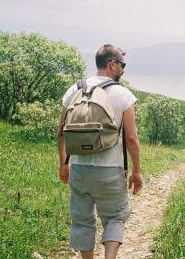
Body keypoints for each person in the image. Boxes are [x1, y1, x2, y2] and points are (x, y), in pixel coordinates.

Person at [57, 44, 143, 259]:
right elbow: (131, 139)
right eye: (122, 65)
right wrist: (136, 171)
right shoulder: (122, 94)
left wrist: (63, 163)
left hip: (79, 168)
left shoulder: (74, 89)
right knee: (114, 217)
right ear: (112, 64)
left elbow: (61, 132)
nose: (123, 69)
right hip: (110, 171)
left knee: (83, 220)